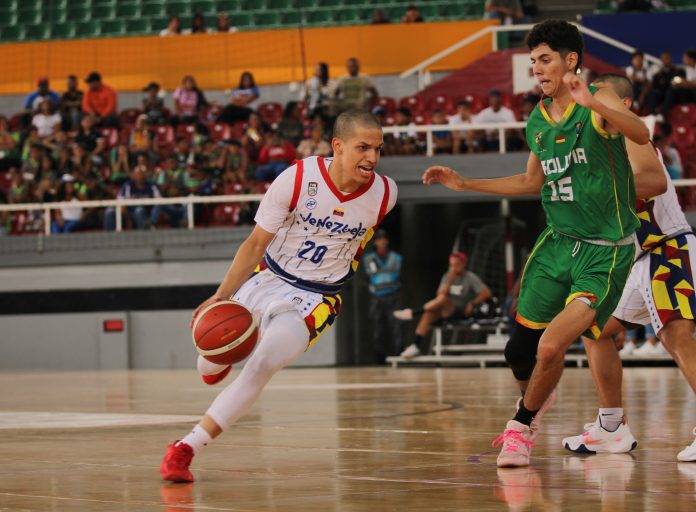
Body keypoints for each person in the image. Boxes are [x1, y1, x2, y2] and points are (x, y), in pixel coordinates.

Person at [422, 20, 667, 467]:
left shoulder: (598, 100)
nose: (537, 68)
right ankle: (536, 398)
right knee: (519, 351)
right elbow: (531, 180)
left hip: (604, 251)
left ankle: (520, 428)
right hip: (556, 243)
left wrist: (595, 102)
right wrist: (466, 183)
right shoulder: (537, 119)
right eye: (533, 60)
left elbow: (640, 133)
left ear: (570, 60)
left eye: (545, 59)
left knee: (551, 347)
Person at [159, 110, 397, 482]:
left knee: (263, 364)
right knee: (209, 358)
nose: (372, 157)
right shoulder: (298, 177)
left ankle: (185, 447)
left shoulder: (386, 193)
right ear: (337, 146)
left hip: (316, 297)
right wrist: (220, 296)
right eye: (362, 147)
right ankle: (218, 358)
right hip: (269, 276)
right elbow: (255, 244)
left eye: (378, 149)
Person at [557, 74, 696, 461]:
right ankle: (611, 427)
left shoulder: (631, 136)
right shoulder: (598, 147)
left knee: (677, 336)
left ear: (622, 105)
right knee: (594, 329)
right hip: (639, 260)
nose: (587, 101)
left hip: (668, 247)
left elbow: (652, 182)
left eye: (598, 95)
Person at [394, 252, 492, 359]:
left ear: (463, 264)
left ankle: (413, 312)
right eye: (452, 265)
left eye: (457, 265)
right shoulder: (447, 277)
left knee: (443, 300)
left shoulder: (470, 277)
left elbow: (486, 293)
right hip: (446, 310)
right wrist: (449, 281)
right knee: (429, 313)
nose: (454, 268)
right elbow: (439, 295)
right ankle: (416, 345)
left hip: (462, 311)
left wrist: (473, 303)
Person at [362, 230, 403, 363]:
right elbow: (365, 278)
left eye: (384, 239)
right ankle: (379, 357)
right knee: (377, 327)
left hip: (393, 295)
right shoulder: (368, 259)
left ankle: (398, 354)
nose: (382, 242)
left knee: (396, 325)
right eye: (379, 239)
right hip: (376, 297)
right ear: (375, 242)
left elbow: (402, 276)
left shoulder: (396, 258)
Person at [103, 165, 161, 231]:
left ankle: (147, 230)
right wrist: (128, 218)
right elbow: (120, 202)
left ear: (145, 176)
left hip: (144, 213)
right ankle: (109, 237)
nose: (140, 176)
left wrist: (152, 219)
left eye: (142, 174)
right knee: (109, 212)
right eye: (138, 174)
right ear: (134, 176)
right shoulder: (127, 186)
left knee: (139, 210)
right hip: (128, 213)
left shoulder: (152, 186)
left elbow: (159, 200)